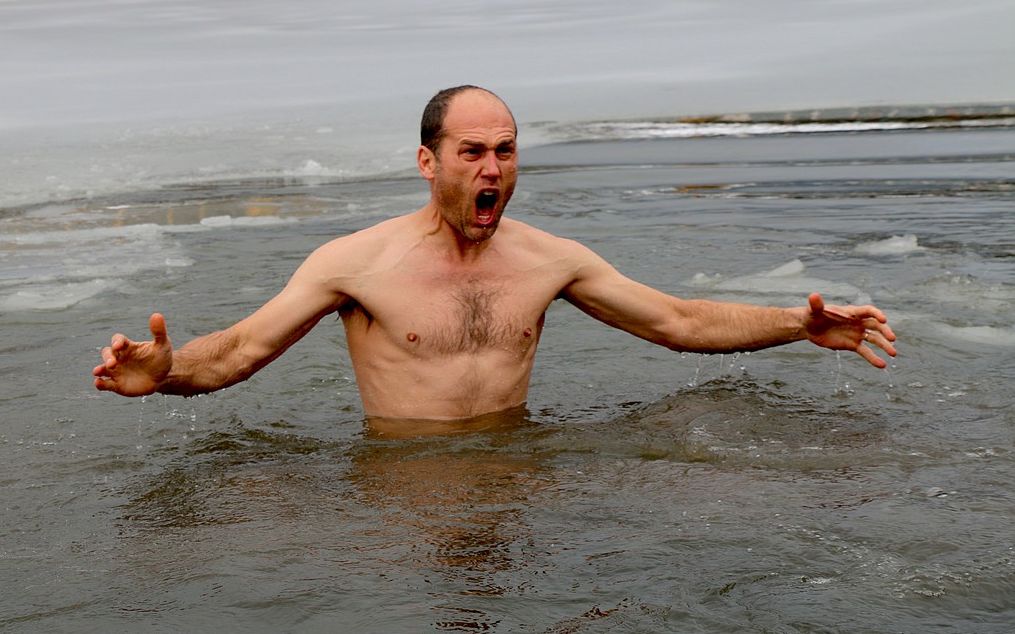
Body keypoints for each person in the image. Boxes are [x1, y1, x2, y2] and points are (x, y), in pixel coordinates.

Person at [94, 85, 897, 420]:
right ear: (428, 162)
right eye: (473, 151)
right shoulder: (355, 264)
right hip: (401, 494)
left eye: (506, 151)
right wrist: (166, 373)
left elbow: (679, 322)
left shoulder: (550, 259)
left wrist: (798, 324)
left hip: (520, 477)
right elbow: (238, 352)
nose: (493, 169)